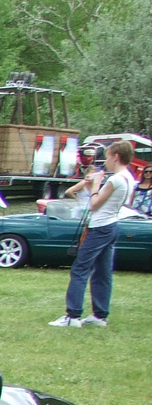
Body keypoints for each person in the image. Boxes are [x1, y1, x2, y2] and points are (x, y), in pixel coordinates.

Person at [51, 139, 136, 328]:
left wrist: (95, 185)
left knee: (80, 269)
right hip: (112, 225)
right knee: (103, 272)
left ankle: (72, 315)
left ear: (116, 157)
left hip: (100, 227)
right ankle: (100, 315)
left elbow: (94, 204)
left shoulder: (115, 179)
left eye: (107, 157)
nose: (105, 162)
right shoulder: (129, 177)